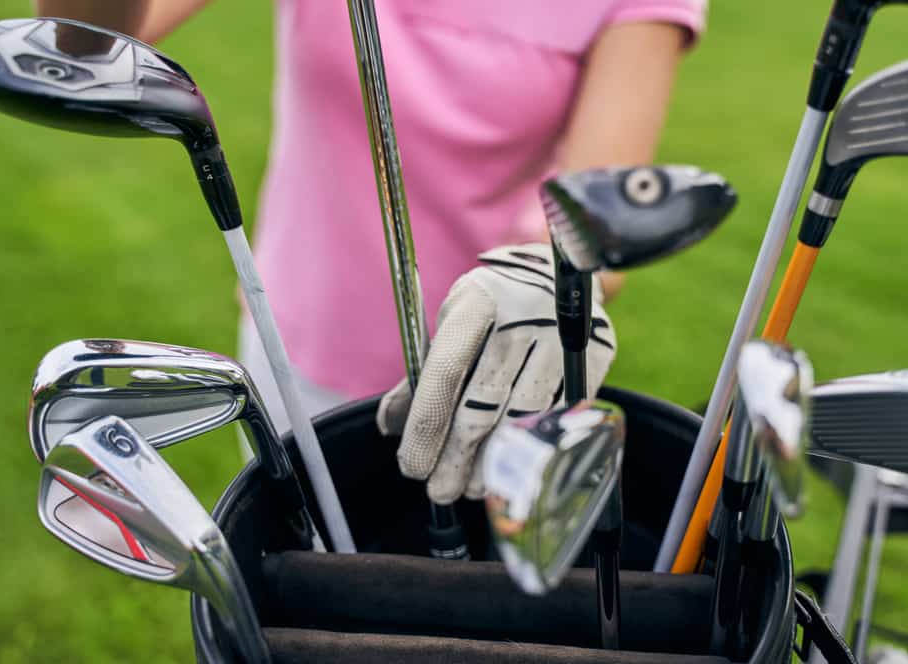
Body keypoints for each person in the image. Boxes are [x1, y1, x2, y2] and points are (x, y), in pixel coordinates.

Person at [35, 0, 707, 503]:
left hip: (494, 378)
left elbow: (595, 207)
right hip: (298, 355)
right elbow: (90, 44)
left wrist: (543, 272)